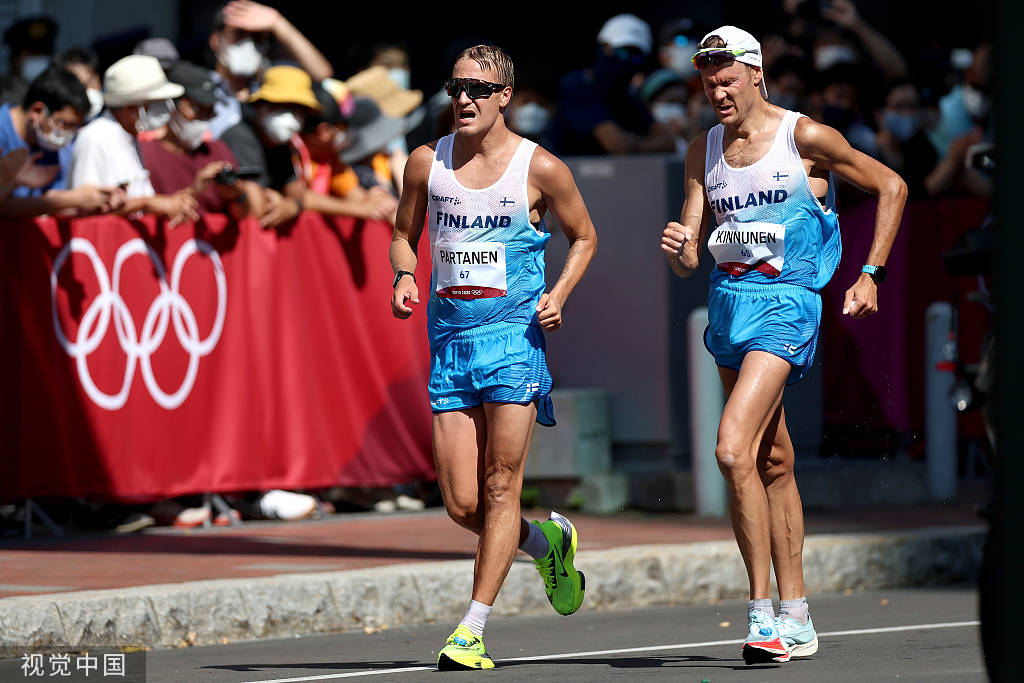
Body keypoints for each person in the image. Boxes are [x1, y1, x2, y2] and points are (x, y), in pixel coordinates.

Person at [660, 26, 906, 664]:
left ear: (755, 74)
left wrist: (870, 274)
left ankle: (761, 615)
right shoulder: (702, 151)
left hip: (786, 307)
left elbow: (892, 186)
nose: (716, 90)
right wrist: (682, 249)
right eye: (707, 79)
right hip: (727, 307)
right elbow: (690, 253)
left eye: (727, 77)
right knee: (773, 460)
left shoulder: (806, 138)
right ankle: (798, 613)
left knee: (731, 448)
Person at [389, 44, 597, 670]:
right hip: (450, 345)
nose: (465, 100)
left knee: (503, 486)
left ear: (507, 95)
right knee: (461, 503)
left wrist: (559, 293)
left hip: (513, 342)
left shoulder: (541, 168)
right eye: (456, 88)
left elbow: (584, 236)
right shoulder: (426, 163)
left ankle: (471, 630)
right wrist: (403, 277)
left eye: (479, 89)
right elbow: (404, 234)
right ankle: (546, 543)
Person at [69, 55, 199, 225]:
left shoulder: (130, 138)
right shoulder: (95, 137)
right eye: (154, 103)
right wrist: (148, 203)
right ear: (130, 106)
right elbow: (84, 211)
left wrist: (173, 203)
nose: (164, 110)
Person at [0, 66, 122, 218]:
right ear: (37, 111)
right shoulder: (3, 134)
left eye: (75, 127)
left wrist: (96, 202)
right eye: (64, 123)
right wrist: (73, 198)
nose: (67, 134)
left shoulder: (50, 144)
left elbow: (53, 209)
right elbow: (4, 207)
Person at [547, 14, 676, 155]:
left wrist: (635, 146)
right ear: (604, 47)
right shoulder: (576, 86)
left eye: (636, 55)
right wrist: (644, 145)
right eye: (622, 51)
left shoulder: (626, 97)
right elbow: (617, 144)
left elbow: (668, 141)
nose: (627, 61)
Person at [138, 61, 244, 215]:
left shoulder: (217, 151)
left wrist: (238, 193)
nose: (203, 119)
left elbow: (243, 215)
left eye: (210, 112)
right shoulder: (146, 155)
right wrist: (194, 191)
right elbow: (144, 210)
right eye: (196, 109)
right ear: (170, 105)